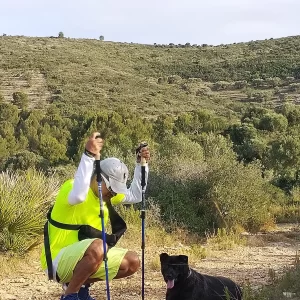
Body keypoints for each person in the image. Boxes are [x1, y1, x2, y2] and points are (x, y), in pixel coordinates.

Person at [40, 132, 150, 300]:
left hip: (87, 256)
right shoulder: (71, 189)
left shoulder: (107, 195)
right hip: (57, 260)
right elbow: (79, 195)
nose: (113, 194)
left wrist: (141, 165)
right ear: (99, 178)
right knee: (99, 246)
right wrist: (88, 156)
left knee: (132, 262)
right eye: (111, 189)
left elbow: (136, 195)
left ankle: (80, 287)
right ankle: (70, 296)